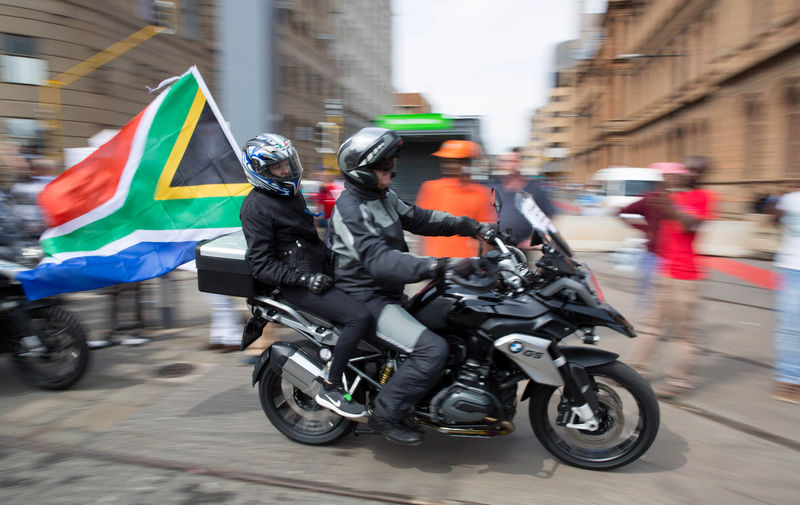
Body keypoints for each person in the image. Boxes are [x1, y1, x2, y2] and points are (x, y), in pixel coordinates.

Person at [329, 127, 495, 445]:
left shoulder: (383, 197)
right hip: (366, 298)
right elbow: (380, 261)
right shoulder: (351, 211)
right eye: (384, 165)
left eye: (392, 161)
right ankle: (386, 412)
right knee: (432, 350)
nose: (392, 169)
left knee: (455, 321)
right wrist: (441, 265)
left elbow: (421, 218)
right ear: (362, 171)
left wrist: (473, 226)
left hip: (388, 293)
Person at [239, 133, 373, 419]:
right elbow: (261, 265)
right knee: (358, 317)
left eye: (288, 163)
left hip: (320, 273)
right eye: (278, 167)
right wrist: (304, 279)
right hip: (297, 285)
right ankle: (331, 386)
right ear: (260, 171)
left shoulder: (292, 195)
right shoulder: (255, 208)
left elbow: (309, 240)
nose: (287, 171)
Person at [630, 156, 716, 399]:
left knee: (683, 334)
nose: (688, 172)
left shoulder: (704, 197)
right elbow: (657, 224)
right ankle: (637, 370)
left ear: (702, 174)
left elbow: (690, 225)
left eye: (695, 169)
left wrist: (668, 203)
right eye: (686, 167)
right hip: (665, 271)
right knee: (650, 326)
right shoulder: (674, 196)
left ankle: (678, 381)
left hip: (686, 277)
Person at [617, 162, 685, 319]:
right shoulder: (650, 198)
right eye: (673, 177)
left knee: (666, 296)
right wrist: (643, 229)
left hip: (672, 256)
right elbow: (620, 212)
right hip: (653, 255)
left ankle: (656, 325)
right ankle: (648, 327)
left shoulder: (677, 199)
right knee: (648, 295)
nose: (675, 180)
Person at [415, 140, 494, 257]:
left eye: (455, 161)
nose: (449, 165)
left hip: (468, 267)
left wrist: (487, 266)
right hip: (436, 265)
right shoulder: (431, 188)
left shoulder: (481, 193)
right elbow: (419, 228)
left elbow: (487, 235)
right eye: (446, 161)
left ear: (468, 163)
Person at [770, 177, 800, 404]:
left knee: (790, 327)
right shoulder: (790, 199)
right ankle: (789, 381)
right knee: (790, 327)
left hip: (790, 267)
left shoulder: (789, 199)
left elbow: (774, 220)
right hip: (793, 268)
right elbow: (773, 219)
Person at [492, 147, 555, 252]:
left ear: (519, 162)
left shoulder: (533, 188)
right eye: (505, 161)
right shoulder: (494, 187)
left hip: (520, 251)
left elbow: (549, 216)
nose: (510, 165)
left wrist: (534, 240)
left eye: (514, 161)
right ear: (500, 164)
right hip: (496, 248)